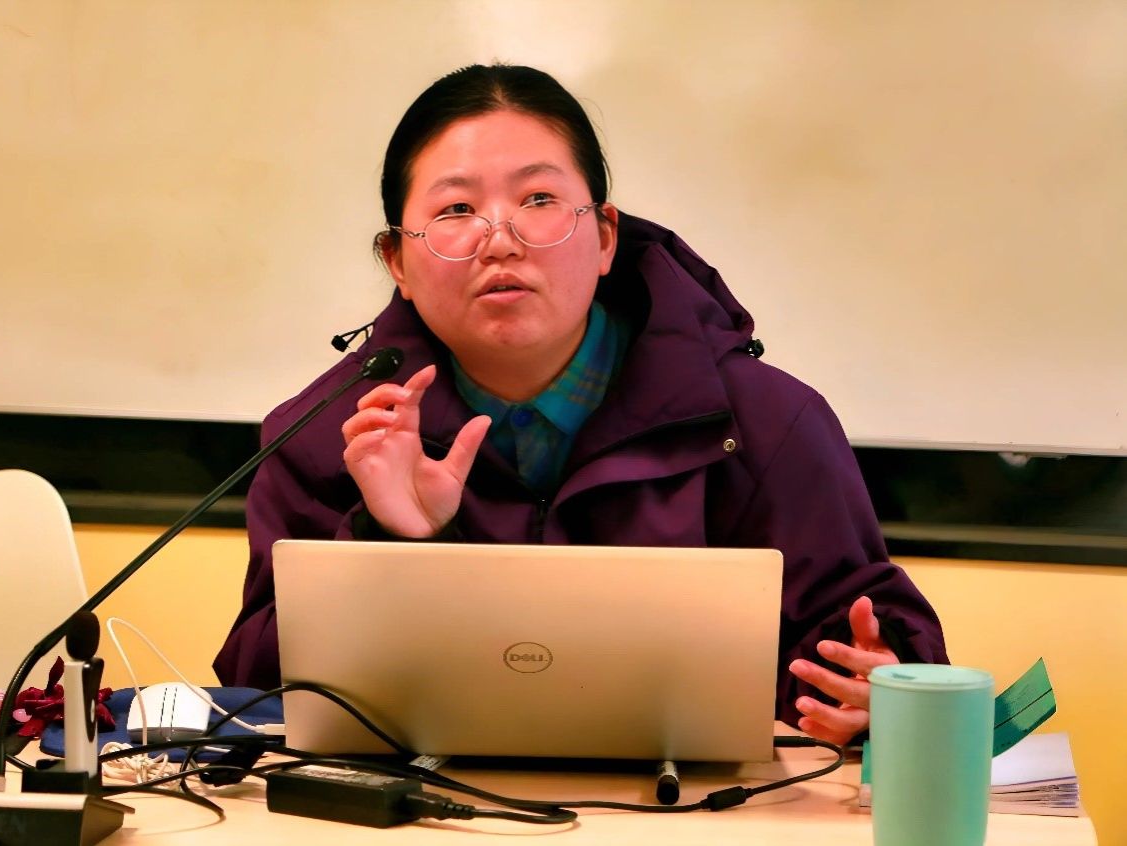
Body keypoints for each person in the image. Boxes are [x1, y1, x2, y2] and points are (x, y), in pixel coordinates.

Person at [215, 64, 948, 747]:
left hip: (695, 812)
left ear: (603, 237)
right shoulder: (332, 436)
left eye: (537, 200)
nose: (500, 240)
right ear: (397, 262)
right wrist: (384, 539)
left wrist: (874, 691)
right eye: (457, 208)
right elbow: (254, 688)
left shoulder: (762, 424)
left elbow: (863, 643)